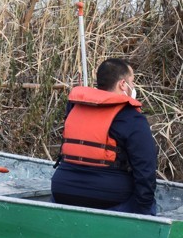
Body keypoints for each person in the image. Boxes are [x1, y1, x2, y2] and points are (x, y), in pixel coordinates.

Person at [51, 58, 157, 215]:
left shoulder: (74, 107)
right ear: (122, 84)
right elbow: (145, 168)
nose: (133, 87)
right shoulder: (130, 116)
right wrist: (144, 209)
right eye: (132, 81)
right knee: (149, 204)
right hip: (108, 196)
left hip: (63, 190)